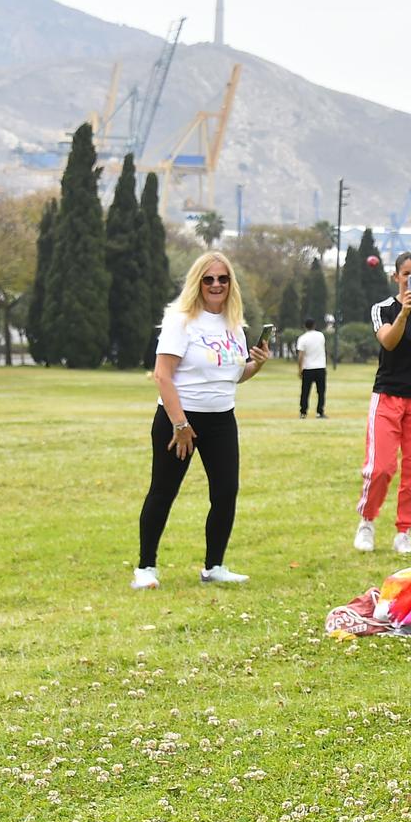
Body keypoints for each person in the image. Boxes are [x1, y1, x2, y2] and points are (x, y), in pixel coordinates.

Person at [135, 252, 271, 590]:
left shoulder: (234, 324)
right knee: (164, 491)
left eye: (222, 279)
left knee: (225, 492)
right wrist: (180, 425)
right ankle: (145, 568)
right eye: (209, 279)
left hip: (222, 419)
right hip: (178, 420)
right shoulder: (180, 321)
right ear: (198, 282)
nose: (216, 285)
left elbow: (232, 376)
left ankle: (214, 566)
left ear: (230, 284)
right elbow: (162, 376)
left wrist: (258, 364)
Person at [354, 253, 411, 556]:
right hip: (387, 396)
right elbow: (388, 341)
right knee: (380, 468)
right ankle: (367, 522)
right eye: (405, 274)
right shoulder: (382, 309)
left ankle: (404, 532)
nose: (410, 279)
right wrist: (404, 313)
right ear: (396, 277)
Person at [295, 318, 328, 418]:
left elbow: (301, 355)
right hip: (320, 367)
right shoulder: (321, 336)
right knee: (321, 391)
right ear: (314, 325)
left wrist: (300, 369)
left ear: (305, 326)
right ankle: (320, 412)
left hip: (308, 367)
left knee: (305, 391)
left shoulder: (302, 338)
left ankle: (303, 412)